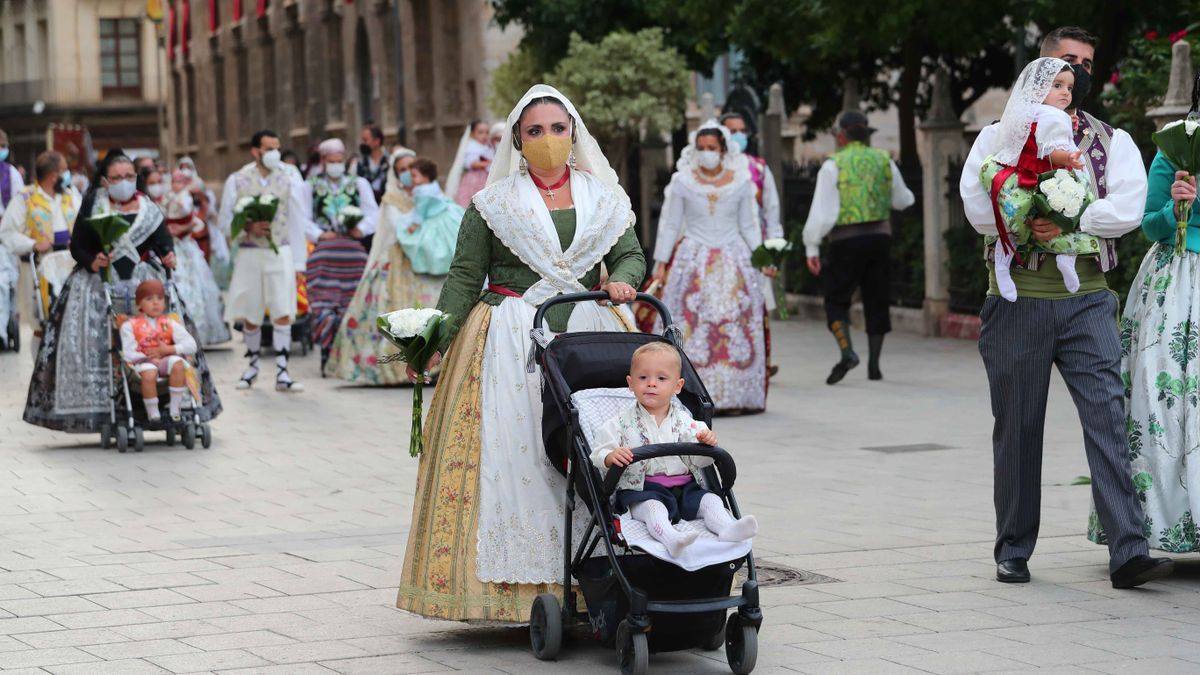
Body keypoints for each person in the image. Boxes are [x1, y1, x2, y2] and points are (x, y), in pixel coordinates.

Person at [396, 84, 645, 622]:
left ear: (573, 132)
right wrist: (431, 340)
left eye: (558, 128)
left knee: (597, 443)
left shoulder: (605, 198)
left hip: (588, 330)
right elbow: (464, 277)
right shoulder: (492, 205)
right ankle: (517, 592)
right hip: (508, 334)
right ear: (518, 139)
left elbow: (630, 255)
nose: (549, 139)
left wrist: (623, 282)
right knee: (518, 450)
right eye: (535, 131)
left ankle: (606, 573)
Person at [960, 26, 1174, 588]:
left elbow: (1126, 210)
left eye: (1084, 64)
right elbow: (977, 206)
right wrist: (1021, 219)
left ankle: (1128, 549)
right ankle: (1013, 549)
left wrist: (1075, 217)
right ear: (1040, 68)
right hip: (1017, 301)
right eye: (1064, 62)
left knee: (1108, 417)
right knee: (1018, 426)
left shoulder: (1112, 139)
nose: (1075, 73)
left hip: (1088, 298)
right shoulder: (994, 138)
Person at [24, 151, 222, 433]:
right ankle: (106, 404)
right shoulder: (95, 203)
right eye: (117, 178)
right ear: (105, 180)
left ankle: (165, 398)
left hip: (144, 283)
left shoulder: (148, 207)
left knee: (162, 328)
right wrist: (92, 260)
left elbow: (163, 241)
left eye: (129, 177)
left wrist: (168, 256)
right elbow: (78, 245)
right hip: (99, 282)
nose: (124, 182)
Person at [1091, 74, 1200, 554]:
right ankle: (1157, 527)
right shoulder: (1179, 146)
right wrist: (1178, 206)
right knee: (1166, 401)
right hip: (1177, 283)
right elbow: (1148, 223)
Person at [590, 342, 758, 556]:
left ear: (677, 386)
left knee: (711, 500)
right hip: (643, 491)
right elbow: (598, 452)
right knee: (654, 509)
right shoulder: (620, 423)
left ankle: (726, 528)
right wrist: (610, 456)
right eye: (643, 378)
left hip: (686, 487)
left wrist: (706, 442)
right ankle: (671, 538)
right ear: (630, 384)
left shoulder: (686, 421)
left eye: (661, 378)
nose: (651, 384)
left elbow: (701, 459)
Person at [652, 120, 766, 414]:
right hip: (693, 260)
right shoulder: (682, 181)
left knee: (734, 323)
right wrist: (661, 263)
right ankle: (696, 393)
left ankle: (735, 394)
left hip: (733, 260)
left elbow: (749, 225)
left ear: (723, 150)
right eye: (701, 148)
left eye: (712, 148)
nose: (706, 153)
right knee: (694, 325)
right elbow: (670, 224)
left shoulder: (741, 181)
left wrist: (764, 258)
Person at [803, 110, 914, 385]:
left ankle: (847, 352)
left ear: (841, 135)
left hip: (845, 240)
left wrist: (811, 245)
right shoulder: (884, 160)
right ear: (867, 133)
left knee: (836, 298)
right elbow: (904, 200)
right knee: (877, 298)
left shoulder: (834, 164)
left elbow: (823, 212)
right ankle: (874, 366)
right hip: (879, 238)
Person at [325, 147, 448, 383]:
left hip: (428, 260)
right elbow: (398, 227)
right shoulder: (392, 199)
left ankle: (432, 362)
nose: (408, 174)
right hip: (398, 260)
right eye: (402, 170)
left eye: (412, 169)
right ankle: (392, 368)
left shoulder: (431, 193)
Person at [981, 58, 1097, 301]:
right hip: (1035, 172)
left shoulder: (1042, 113)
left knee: (1062, 211)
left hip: (1047, 173)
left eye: (1069, 88)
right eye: (1058, 86)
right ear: (1039, 87)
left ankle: (1061, 260)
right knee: (1033, 216)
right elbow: (1048, 151)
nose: (1065, 92)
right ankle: (1006, 266)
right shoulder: (1049, 116)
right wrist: (1069, 158)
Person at [219, 129, 312, 393]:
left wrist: (299, 264)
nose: (274, 154)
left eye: (277, 148)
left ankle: (283, 371)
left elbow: (297, 222)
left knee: (283, 309)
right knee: (252, 311)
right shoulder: (237, 180)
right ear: (255, 151)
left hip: (279, 251)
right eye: (269, 148)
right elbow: (224, 222)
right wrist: (247, 227)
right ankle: (252, 366)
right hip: (249, 252)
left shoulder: (288, 179)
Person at [305, 138, 378, 372]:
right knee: (324, 301)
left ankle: (349, 350)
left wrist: (360, 229)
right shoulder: (310, 186)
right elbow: (302, 218)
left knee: (351, 299)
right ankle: (326, 345)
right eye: (331, 161)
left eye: (340, 161)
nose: (336, 165)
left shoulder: (359, 184)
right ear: (323, 161)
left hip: (352, 252)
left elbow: (373, 213)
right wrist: (319, 234)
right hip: (324, 252)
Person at [722, 112, 783, 378]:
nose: (738, 135)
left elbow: (771, 214)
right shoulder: (707, 171)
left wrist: (771, 254)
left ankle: (760, 362)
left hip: (752, 251)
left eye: (742, 130)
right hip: (719, 252)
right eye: (731, 130)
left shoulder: (758, 169)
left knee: (755, 309)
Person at [0, 151, 78, 350]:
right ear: (54, 175)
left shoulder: (70, 195)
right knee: (41, 324)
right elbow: (7, 233)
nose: (67, 175)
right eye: (64, 171)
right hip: (39, 268)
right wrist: (32, 244)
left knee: (71, 323)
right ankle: (41, 375)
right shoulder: (25, 198)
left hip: (70, 265)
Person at [165, 170, 229, 346]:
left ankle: (198, 330)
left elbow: (193, 219)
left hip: (185, 245)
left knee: (195, 284)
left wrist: (181, 228)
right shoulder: (169, 197)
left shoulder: (185, 198)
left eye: (179, 183)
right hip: (173, 246)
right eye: (174, 182)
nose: (176, 186)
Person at [119, 279, 197, 422]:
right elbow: (128, 352)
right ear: (139, 304)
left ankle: (175, 409)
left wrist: (169, 349)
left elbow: (191, 345)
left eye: (160, 299)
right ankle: (153, 413)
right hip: (143, 362)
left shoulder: (169, 323)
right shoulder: (130, 325)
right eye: (149, 299)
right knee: (149, 372)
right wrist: (148, 358)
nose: (155, 303)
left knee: (178, 364)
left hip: (165, 359)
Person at [396, 158, 463, 276]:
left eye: (414, 176)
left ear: (425, 176)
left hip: (435, 217)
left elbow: (420, 211)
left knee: (430, 243)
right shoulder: (432, 185)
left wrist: (414, 225)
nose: (411, 179)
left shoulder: (423, 193)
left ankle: (436, 266)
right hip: (444, 212)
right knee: (450, 241)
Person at [445, 120, 495, 208]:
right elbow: (473, 163)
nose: (484, 135)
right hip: (475, 178)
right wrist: (488, 163)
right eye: (480, 132)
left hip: (486, 176)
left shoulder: (487, 146)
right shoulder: (472, 146)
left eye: (487, 132)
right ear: (472, 134)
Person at [352, 124, 388, 204]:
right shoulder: (359, 163)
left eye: (365, 140)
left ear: (376, 141)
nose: (363, 143)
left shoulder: (390, 161)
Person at [0, 128, 26, 217]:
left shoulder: (11, 171)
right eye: (2, 146)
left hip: (5, 222)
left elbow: (20, 201)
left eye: (5, 146)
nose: (4, 150)